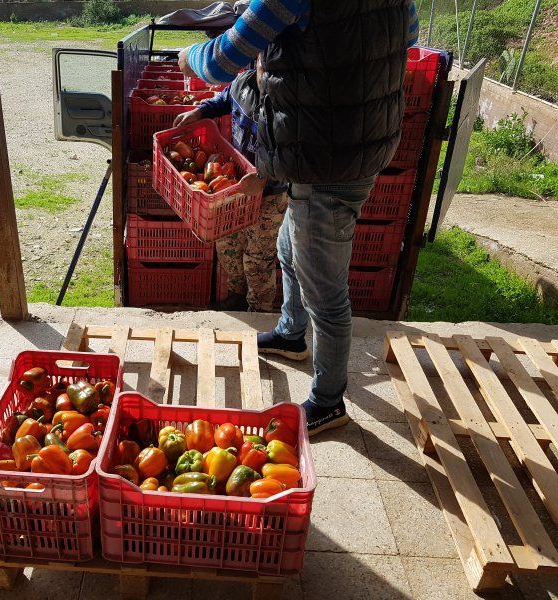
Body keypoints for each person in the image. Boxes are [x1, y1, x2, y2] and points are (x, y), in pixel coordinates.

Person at [178, 0, 419, 436]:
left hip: (324, 157)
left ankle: (328, 402)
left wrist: (186, 56)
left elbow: (218, 62)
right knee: (290, 247)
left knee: (325, 293)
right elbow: (409, 38)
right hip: (356, 142)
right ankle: (291, 333)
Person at [173, 54, 286, 312]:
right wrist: (199, 111)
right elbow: (223, 100)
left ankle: (260, 311)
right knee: (228, 245)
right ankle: (236, 295)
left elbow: (291, 152)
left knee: (258, 257)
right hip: (234, 186)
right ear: (255, 63)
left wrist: (263, 176)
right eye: (262, 67)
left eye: (272, 69)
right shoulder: (242, 84)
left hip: (269, 194)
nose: (265, 74)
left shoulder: (285, 102)